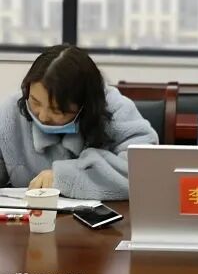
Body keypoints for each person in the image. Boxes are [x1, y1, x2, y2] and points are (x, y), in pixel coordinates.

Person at [0, 45, 158, 200]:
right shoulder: (11, 112)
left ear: (84, 106)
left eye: (57, 110)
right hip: (28, 215)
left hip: (105, 215)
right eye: (35, 102)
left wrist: (67, 176)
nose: (43, 116)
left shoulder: (115, 110)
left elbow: (145, 171)